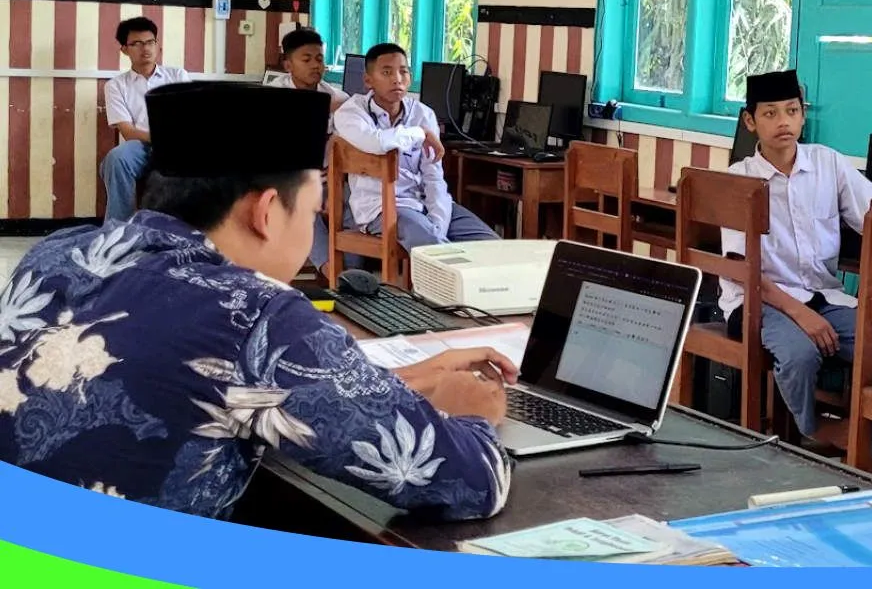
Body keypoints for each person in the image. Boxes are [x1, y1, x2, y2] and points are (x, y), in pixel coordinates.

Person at [0, 82, 515, 521]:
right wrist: (471, 413)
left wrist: (397, 382)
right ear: (267, 212)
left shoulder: (58, 253)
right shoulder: (257, 313)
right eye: (314, 209)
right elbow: (470, 483)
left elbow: (188, 376)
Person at [719, 70, 872, 456]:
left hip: (823, 297)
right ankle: (813, 431)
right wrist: (801, 313)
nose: (783, 122)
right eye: (769, 113)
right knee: (800, 353)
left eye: (791, 111)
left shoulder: (828, 164)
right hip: (757, 301)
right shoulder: (739, 180)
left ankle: (870, 451)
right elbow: (742, 271)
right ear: (750, 122)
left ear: (802, 116)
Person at [333, 43, 498, 250]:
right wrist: (420, 133)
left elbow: (434, 177)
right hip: (382, 208)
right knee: (432, 247)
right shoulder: (352, 112)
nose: (397, 79)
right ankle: (442, 279)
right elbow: (377, 142)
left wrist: (438, 222)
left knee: (492, 247)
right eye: (387, 72)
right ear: (368, 81)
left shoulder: (423, 114)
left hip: (425, 204)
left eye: (403, 71)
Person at [266, 28, 352, 282]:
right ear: (288, 64)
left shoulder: (339, 98)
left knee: (358, 207)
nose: (316, 66)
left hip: (330, 179)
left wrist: (335, 180)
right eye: (307, 59)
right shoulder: (271, 98)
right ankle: (334, 272)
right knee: (303, 207)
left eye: (320, 59)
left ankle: (356, 274)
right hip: (285, 181)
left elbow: (347, 145)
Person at [100, 16, 191, 222]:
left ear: (157, 45)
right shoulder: (116, 85)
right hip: (139, 146)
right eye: (137, 44)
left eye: (150, 42)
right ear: (124, 49)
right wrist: (160, 138)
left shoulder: (178, 76)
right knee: (116, 159)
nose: (145, 49)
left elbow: (188, 119)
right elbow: (127, 131)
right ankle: (119, 230)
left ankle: (178, 231)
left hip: (175, 146)